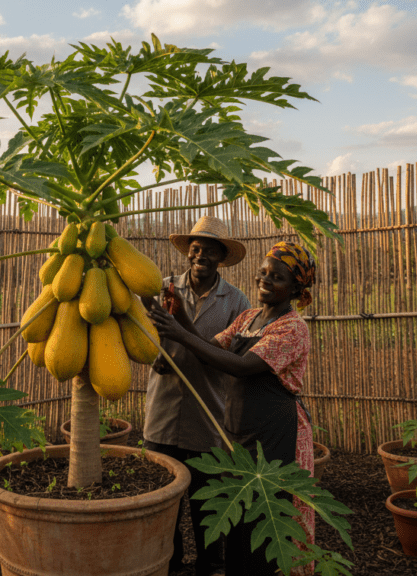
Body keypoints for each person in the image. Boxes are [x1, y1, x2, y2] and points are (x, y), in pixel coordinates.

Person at [147, 240, 318, 576]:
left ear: (295, 288)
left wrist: (179, 335)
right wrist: (180, 314)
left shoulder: (292, 329)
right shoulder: (248, 317)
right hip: (241, 436)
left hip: (276, 438)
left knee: (269, 525)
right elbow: (208, 347)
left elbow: (239, 366)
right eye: (264, 272)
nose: (265, 280)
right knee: (240, 526)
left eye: (277, 278)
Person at [141, 215, 251, 576]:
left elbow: (231, 359)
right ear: (188, 252)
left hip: (209, 417)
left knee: (208, 507)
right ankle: (170, 566)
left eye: (209, 251)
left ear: (221, 257)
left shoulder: (236, 301)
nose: (200, 255)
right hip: (162, 411)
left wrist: (183, 330)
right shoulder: (164, 288)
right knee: (165, 504)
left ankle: (210, 567)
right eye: (196, 249)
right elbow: (143, 330)